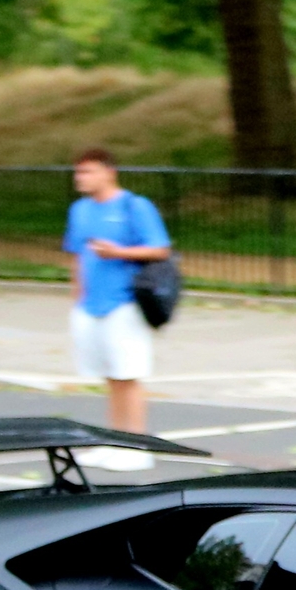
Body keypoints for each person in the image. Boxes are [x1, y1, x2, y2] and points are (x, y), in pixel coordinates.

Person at [62, 147, 172, 436]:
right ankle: (114, 439)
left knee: (128, 376)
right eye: (78, 172)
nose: (80, 178)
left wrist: (119, 252)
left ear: (109, 173)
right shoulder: (80, 210)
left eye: (88, 171)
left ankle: (135, 443)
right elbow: (77, 255)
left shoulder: (134, 206)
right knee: (111, 378)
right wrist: (78, 299)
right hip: (90, 305)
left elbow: (160, 249)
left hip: (124, 303)